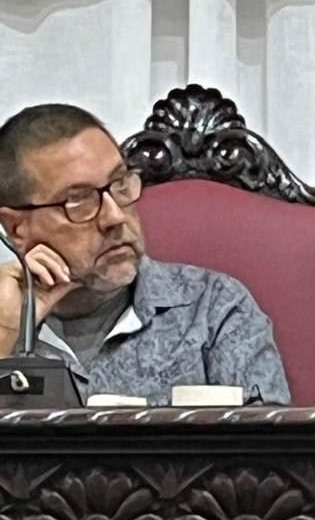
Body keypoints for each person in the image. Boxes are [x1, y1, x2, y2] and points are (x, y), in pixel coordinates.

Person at [0, 104, 290, 404]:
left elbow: (270, 432)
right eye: (78, 201)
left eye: (120, 184)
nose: (115, 217)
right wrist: (5, 333)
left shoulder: (214, 308)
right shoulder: (4, 322)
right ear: (17, 228)